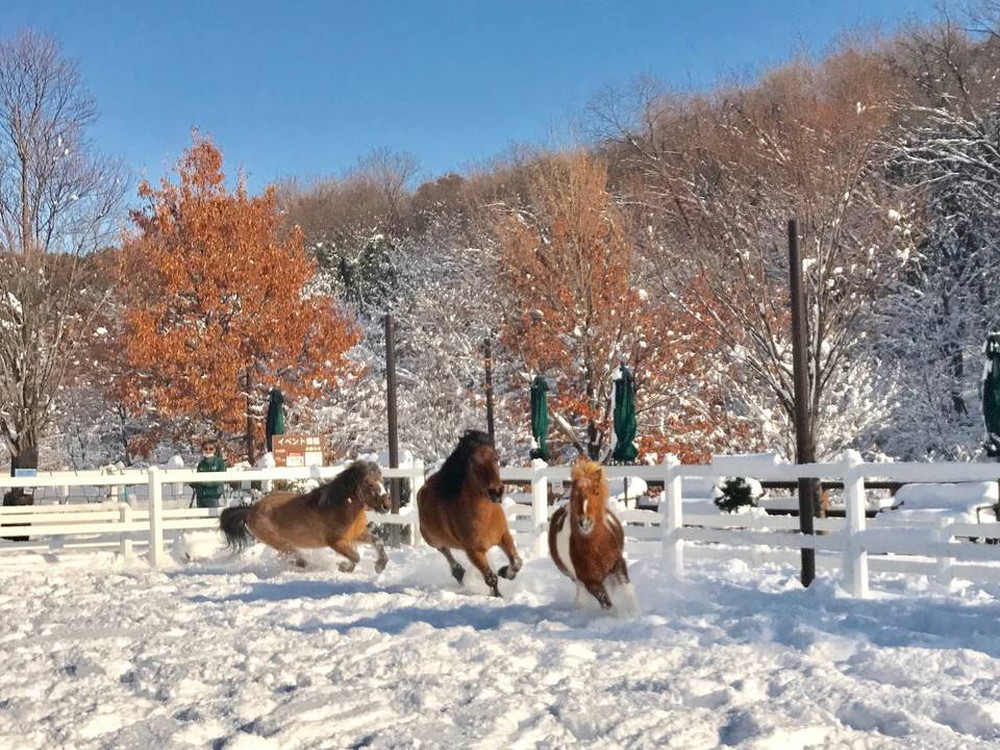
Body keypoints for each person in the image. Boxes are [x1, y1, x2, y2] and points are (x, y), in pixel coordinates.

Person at [191, 439, 227, 508]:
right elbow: (198, 479)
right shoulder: (201, 464)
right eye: (205, 449)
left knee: (214, 516)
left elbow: (220, 480)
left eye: (211, 449)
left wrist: (204, 482)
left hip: (214, 496)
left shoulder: (219, 463)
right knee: (202, 517)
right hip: (201, 497)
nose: (208, 451)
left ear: (215, 450)